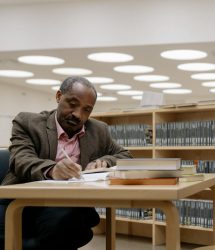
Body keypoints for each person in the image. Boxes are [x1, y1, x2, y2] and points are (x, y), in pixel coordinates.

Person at [0, 76, 132, 250]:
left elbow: (125, 156)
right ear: (58, 96)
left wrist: (105, 161)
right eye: (72, 103)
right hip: (25, 202)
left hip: (70, 204)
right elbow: (21, 160)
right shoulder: (28, 123)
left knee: (65, 222)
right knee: (68, 227)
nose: (78, 114)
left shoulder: (99, 131)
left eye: (86, 110)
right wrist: (53, 169)